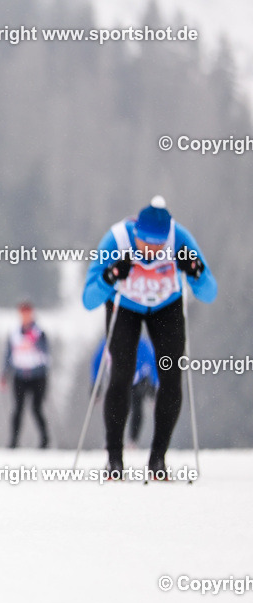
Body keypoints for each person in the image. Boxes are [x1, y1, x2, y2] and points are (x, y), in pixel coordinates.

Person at [83, 196, 216, 479]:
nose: (153, 250)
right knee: (121, 374)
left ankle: (158, 459)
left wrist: (196, 271)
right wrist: (110, 276)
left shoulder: (179, 238)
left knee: (171, 375)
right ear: (136, 235)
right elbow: (89, 299)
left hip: (165, 307)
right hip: (126, 307)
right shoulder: (116, 240)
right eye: (147, 244)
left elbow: (209, 292)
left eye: (159, 245)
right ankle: (114, 460)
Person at [90, 335, 159, 448]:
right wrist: (95, 385)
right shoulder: (107, 343)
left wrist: (153, 386)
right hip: (116, 378)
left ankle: (133, 440)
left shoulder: (142, 344)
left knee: (137, 407)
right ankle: (111, 438)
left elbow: (153, 362)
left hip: (138, 380)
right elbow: (97, 363)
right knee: (114, 407)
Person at [1, 301, 50, 448]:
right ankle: (14, 441)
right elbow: (8, 355)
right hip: (20, 376)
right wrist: (4, 375)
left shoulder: (39, 333)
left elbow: (47, 354)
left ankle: (44, 439)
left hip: (38, 376)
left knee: (36, 408)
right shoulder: (15, 333)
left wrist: (34, 343)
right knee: (18, 409)